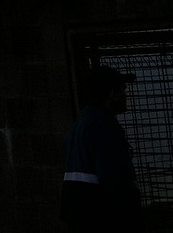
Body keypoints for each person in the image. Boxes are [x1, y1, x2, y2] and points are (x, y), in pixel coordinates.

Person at [60, 65, 142, 231]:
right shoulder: (102, 125)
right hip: (99, 214)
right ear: (111, 93)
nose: (126, 95)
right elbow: (112, 176)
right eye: (122, 89)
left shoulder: (81, 123)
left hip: (81, 213)